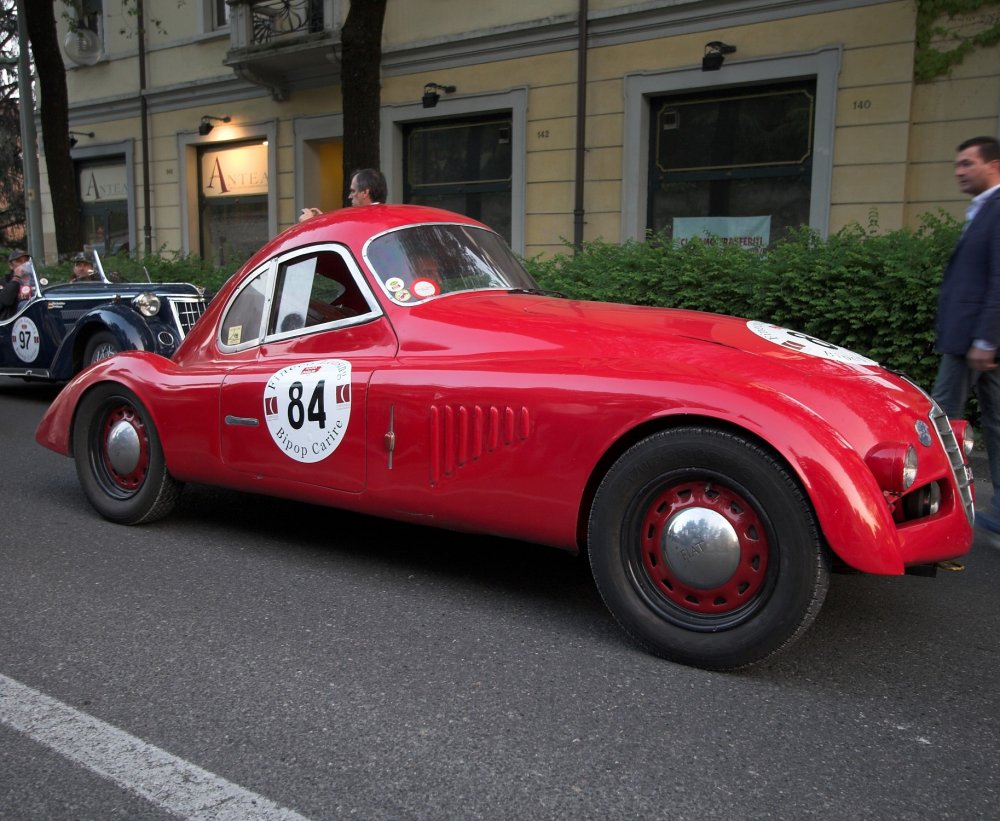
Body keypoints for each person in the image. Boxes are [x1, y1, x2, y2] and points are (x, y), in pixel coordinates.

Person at [931, 135, 1000, 534]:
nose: (959, 171)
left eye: (967, 164)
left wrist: (986, 339)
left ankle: (938, 506)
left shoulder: (996, 208)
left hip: (973, 342)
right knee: (995, 422)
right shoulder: (983, 208)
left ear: (993, 165)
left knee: (940, 419)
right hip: (973, 339)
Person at [298, 168, 387, 222]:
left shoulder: (362, 220)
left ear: (364, 193)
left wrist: (308, 224)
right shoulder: (384, 216)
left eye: (353, 191)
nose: (349, 196)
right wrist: (322, 220)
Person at [1, 249, 33, 321]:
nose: (24, 264)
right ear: (11, 266)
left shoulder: (35, 280)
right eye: (19, 261)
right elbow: (6, 301)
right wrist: (16, 277)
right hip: (13, 322)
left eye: (26, 261)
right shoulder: (4, 282)